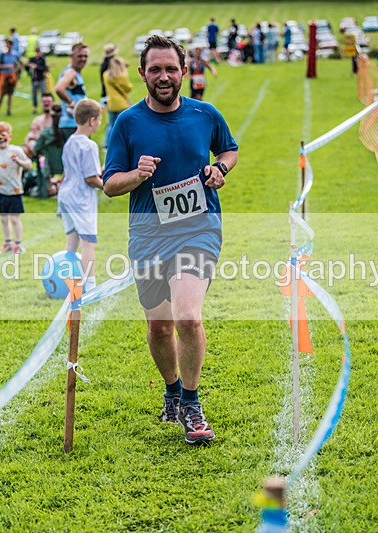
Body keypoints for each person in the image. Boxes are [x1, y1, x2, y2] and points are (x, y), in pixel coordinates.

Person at [103, 36, 239, 445]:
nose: (164, 77)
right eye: (155, 70)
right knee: (160, 327)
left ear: (184, 71)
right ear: (142, 74)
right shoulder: (127, 122)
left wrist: (220, 170)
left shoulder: (205, 114)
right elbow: (110, 185)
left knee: (187, 317)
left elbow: (229, 151)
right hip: (147, 235)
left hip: (198, 229)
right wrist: (136, 175)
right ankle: (172, 390)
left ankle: (192, 404)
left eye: (171, 69)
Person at [58, 99, 103, 293]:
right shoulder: (89, 146)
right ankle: (89, 285)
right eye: (100, 119)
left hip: (66, 195)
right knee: (88, 242)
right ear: (92, 121)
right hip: (80, 198)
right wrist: (107, 187)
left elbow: (74, 171)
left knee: (72, 242)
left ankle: (68, 282)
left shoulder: (70, 141)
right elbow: (91, 178)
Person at [0, 121, 32, 254]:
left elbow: (29, 165)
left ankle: (18, 244)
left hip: (14, 190)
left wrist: (19, 161)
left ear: (9, 136)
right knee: (4, 218)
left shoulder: (16, 150)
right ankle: (8, 243)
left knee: (15, 219)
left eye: (2, 135)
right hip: (0, 191)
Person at [55, 41, 89, 140]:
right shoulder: (71, 72)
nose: (83, 59)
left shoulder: (76, 73)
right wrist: (72, 104)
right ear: (71, 56)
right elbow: (59, 89)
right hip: (72, 124)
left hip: (75, 124)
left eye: (85, 56)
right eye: (80, 56)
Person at [31, 104, 65, 198]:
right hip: (65, 167)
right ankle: (56, 185)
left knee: (41, 158)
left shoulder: (46, 133)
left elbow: (36, 149)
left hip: (49, 167)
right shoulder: (68, 133)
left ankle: (49, 187)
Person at [103, 56, 133, 149]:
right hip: (121, 103)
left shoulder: (106, 75)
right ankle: (121, 143)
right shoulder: (122, 76)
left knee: (110, 124)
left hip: (111, 103)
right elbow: (129, 88)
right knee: (122, 125)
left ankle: (107, 144)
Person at [0, 41, 21, 116]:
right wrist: (6, 66)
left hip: (11, 76)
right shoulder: (2, 54)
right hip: (4, 75)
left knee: (10, 94)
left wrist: (15, 69)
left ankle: (8, 110)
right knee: (2, 94)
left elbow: (20, 63)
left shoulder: (15, 54)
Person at [27, 47, 48, 115]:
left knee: (43, 94)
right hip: (34, 79)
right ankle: (35, 108)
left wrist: (36, 67)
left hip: (41, 79)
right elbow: (26, 67)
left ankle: (44, 108)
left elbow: (44, 68)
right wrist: (29, 66)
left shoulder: (42, 60)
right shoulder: (32, 59)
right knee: (34, 95)